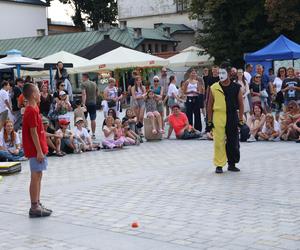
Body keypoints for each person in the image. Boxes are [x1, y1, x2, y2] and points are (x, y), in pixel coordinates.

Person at [207, 62, 244, 174]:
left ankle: (232, 164)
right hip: (218, 116)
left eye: (223, 72)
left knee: (233, 141)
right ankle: (219, 164)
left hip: (232, 115)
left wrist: (241, 119)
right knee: (219, 141)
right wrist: (209, 121)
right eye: (219, 73)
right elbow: (209, 105)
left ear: (228, 73)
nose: (221, 75)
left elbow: (241, 104)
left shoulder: (236, 87)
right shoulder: (214, 87)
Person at [22, 83, 52, 217]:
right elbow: (33, 132)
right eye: (38, 92)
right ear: (34, 95)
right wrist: (39, 151)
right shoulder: (31, 110)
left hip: (38, 147)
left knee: (38, 175)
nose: (40, 94)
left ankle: (37, 203)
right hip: (35, 149)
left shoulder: (35, 109)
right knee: (35, 176)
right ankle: (34, 206)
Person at [81, 73, 98, 139]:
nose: (82, 78)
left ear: (85, 77)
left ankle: (87, 128)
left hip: (87, 103)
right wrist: (94, 99)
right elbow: (97, 93)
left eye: (82, 77)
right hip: (93, 103)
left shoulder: (83, 84)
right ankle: (93, 134)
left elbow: (84, 94)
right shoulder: (94, 83)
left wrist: (83, 103)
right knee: (93, 119)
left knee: (84, 118)